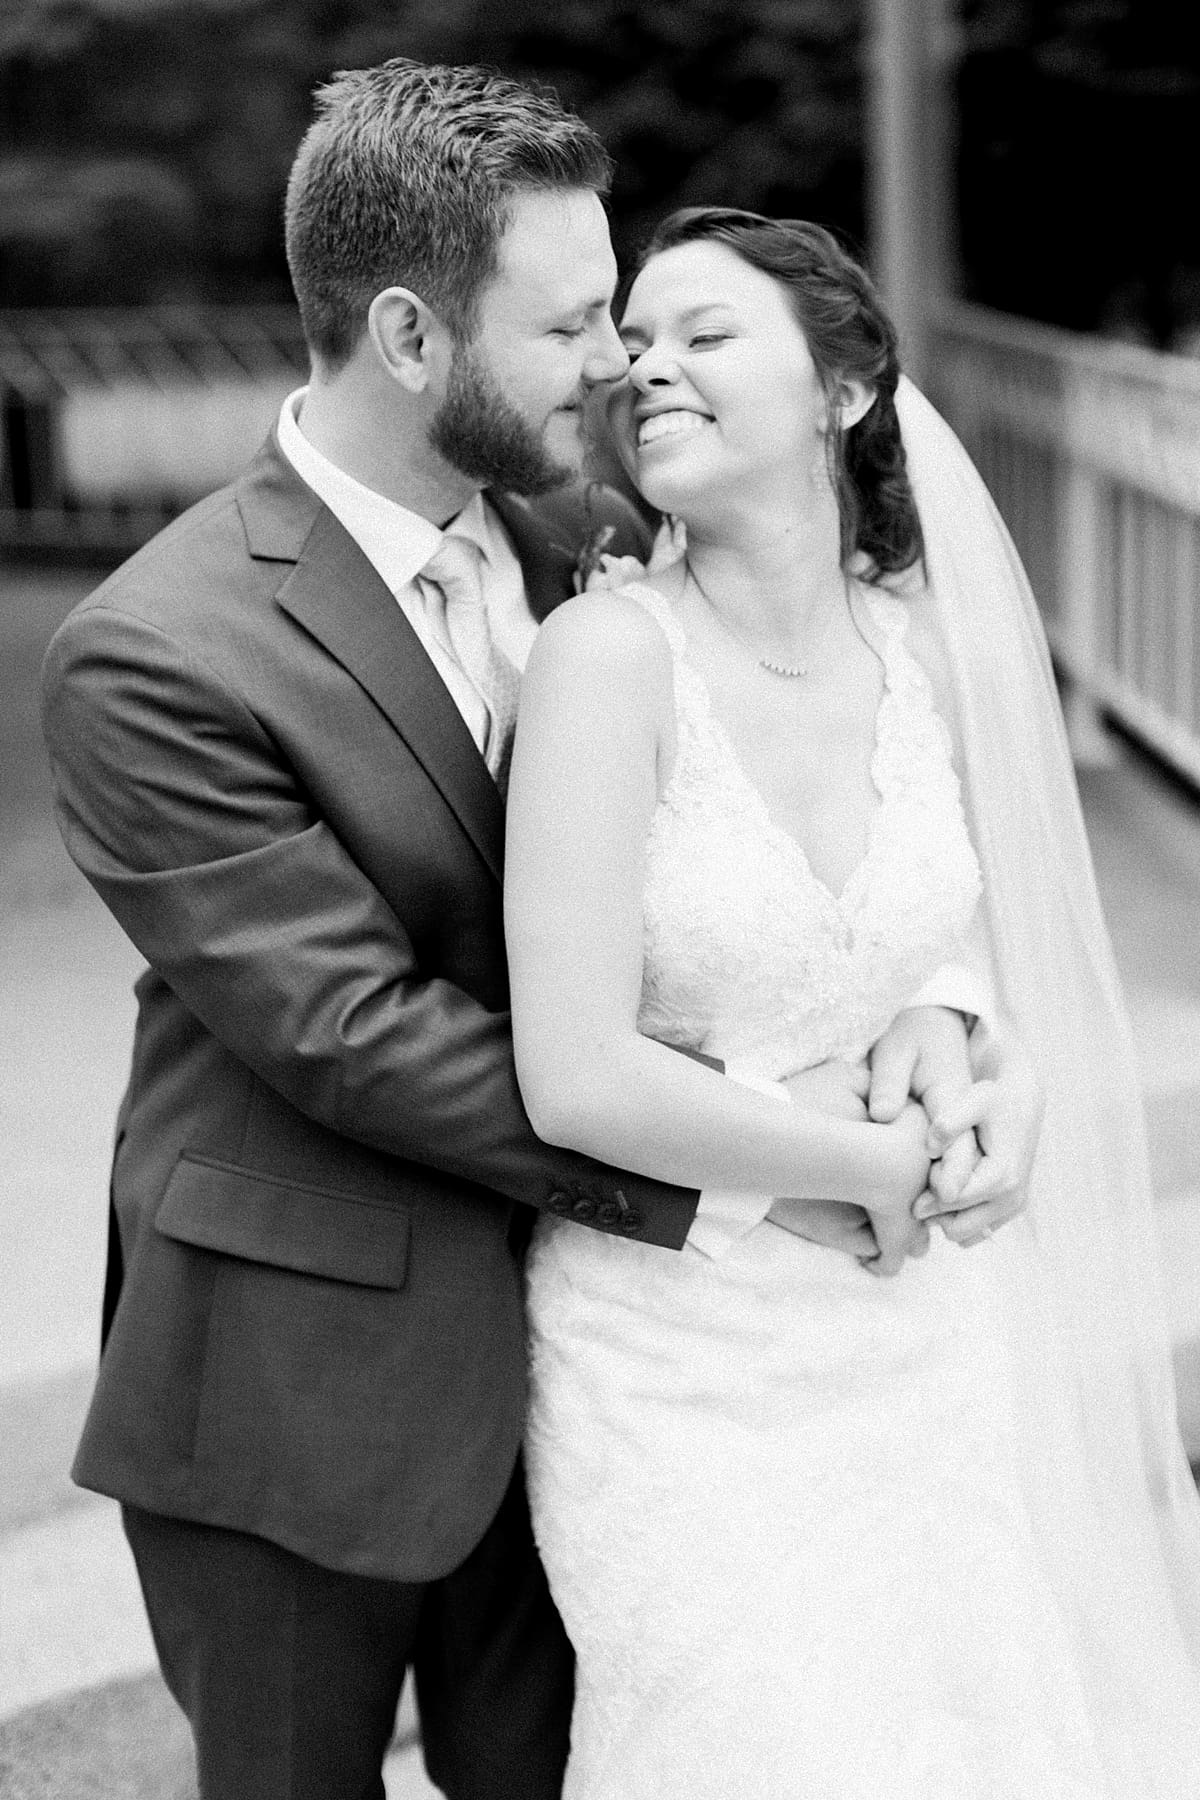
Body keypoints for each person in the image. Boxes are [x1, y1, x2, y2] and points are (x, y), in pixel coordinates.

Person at [40, 62, 1041, 1800]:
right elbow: (355, 1031)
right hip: (307, 1373)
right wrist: (763, 1164)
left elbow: (814, 802)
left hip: (610, 1379)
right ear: (415, 337)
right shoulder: (159, 654)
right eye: (575, 321)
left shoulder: (602, 538)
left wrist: (930, 1005)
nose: (618, 364)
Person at [504, 208, 1200, 1798]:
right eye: (636, 341)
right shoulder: (606, 661)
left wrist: (991, 1073)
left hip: (927, 1337)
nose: (647, 366)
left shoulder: (932, 659)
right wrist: (886, 1171)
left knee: (975, 1729)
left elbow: (965, 957)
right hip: (683, 1361)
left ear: (844, 385)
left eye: (705, 332)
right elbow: (572, 1072)